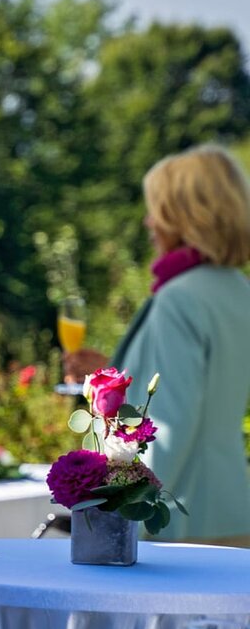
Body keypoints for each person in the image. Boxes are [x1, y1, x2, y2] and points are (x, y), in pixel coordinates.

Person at [64, 145, 250, 546]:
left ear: (184, 215)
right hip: (230, 508)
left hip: (183, 523)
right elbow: (207, 394)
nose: (149, 221)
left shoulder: (180, 298)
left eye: (157, 210)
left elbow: (166, 427)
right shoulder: (237, 289)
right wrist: (114, 374)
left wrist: (127, 521)